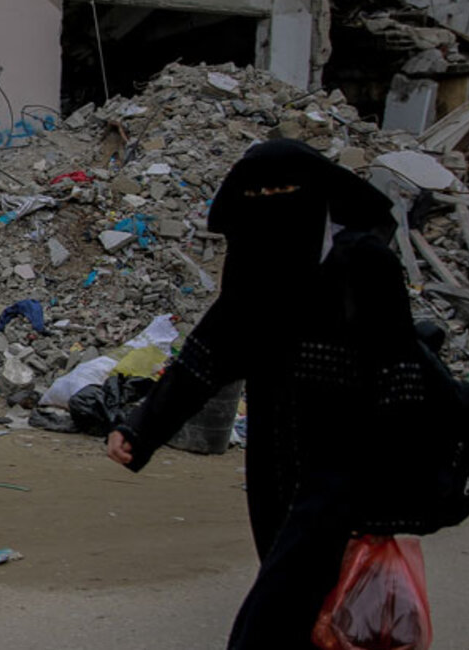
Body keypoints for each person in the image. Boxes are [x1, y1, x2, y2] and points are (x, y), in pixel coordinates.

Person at [103, 139, 414, 649]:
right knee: (305, 597)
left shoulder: (365, 264)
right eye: (260, 191)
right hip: (274, 452)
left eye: (285, 189)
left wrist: (393, 480)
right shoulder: (255, 264)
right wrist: (142, 428)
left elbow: (401, 373)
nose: (272, 200)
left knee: (280, 610)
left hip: (345, 459)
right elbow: (209, 353)